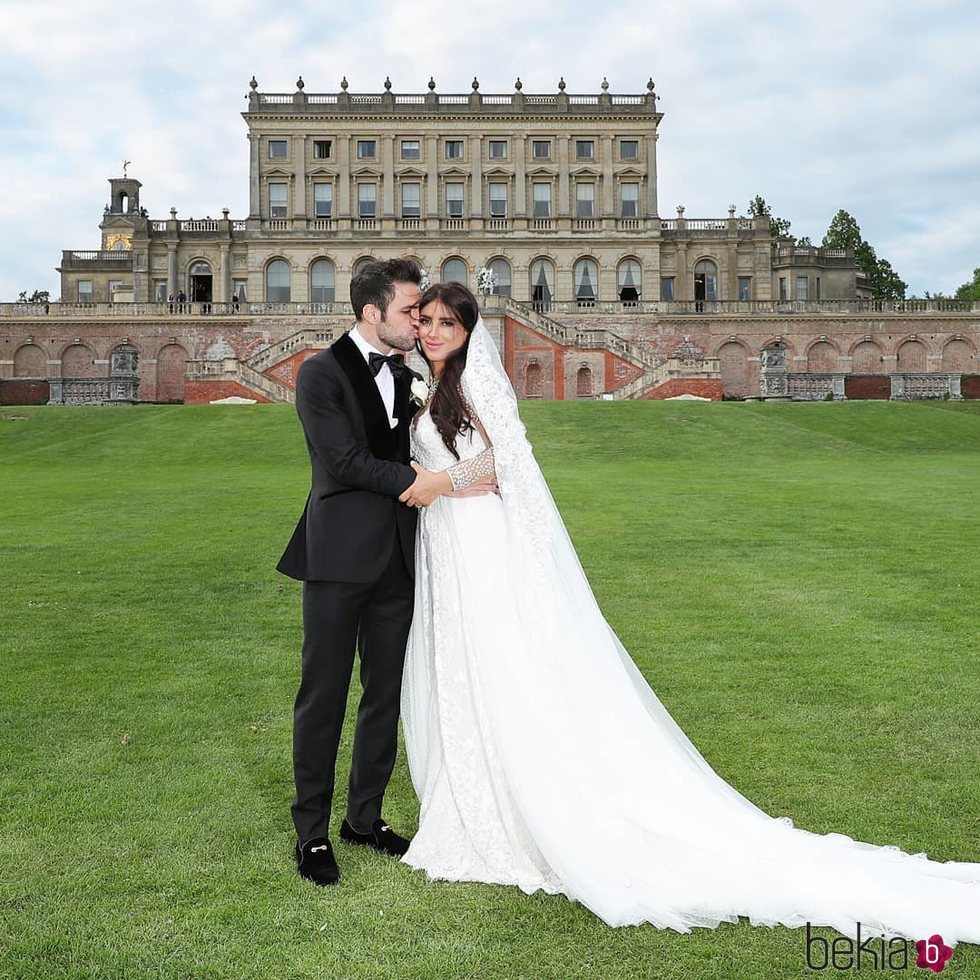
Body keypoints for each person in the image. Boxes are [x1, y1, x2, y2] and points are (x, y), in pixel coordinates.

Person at [398, 281, 980, 944]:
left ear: (471, 330)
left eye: (448, 322)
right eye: (429, 322)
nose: (436, 331)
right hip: (446, 547)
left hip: (481, 545)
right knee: (467, 671)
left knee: (504, 669)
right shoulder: (424, 383)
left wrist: (442, 482)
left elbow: (511, 458)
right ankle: (475, 803)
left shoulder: (479, 382)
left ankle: (529, 808)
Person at [277, 258, 474, 887]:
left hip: (398, 554)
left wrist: (449, 476)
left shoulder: (411, 371)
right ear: (372, 312)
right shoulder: (320, 373)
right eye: (410, 310)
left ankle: (364, 818)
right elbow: (344, 461)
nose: (419, 320)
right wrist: (428, 483)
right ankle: (311, 833)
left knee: (384, 693)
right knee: (324, 695)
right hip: (336, 558)